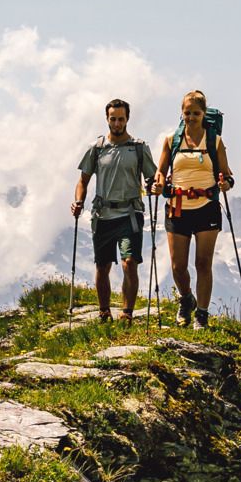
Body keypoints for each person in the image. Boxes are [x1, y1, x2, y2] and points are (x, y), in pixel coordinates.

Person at [154, 89, 233, 328]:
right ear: (182, 113)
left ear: (203, 114)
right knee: (178, 267)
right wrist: (158, 182)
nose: (191, 117)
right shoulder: (171, 140)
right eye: (187, 113)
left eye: (196, 113)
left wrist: (224, 184)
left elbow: (228, 176)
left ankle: (202, 314)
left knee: (202, 263)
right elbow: (161, 171)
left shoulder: (214, 141)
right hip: (177, 208)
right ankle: (186, 299)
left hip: (206, 207)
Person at [70, 98, 152, 323]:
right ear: (107, 119)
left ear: (127, 119)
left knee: (129, 262)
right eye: (113, 119)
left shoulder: (138, 148)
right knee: (102, 265)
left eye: (121, 119)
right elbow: (83, 181)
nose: (117, 123)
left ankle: (127, 313)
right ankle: (104, 311)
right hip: (103, 214)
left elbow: (152, 177)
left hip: (130, 214)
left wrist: (155, 184)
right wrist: (78, 201)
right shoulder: (96, 149)